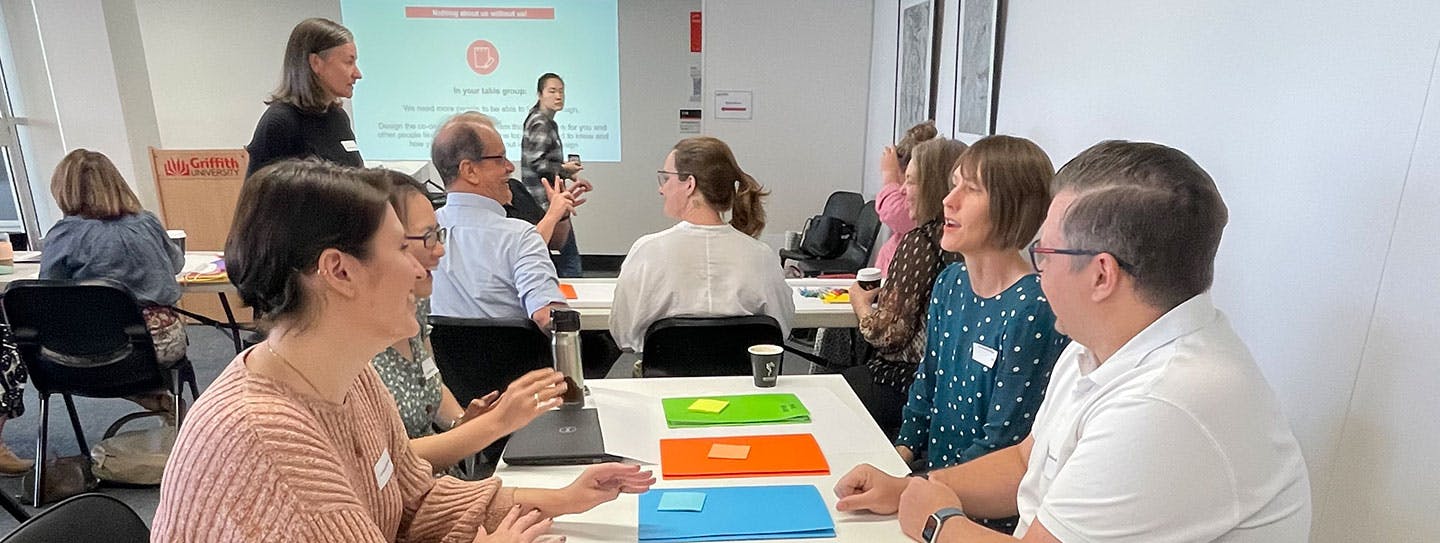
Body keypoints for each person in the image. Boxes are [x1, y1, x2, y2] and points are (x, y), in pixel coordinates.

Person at [834, 141, 1312, 543]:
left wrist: (938, 522)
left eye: (1044, 252)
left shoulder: (1164, 401)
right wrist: (911, 488)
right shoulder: (1097, 348)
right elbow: (1027, 461)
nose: (1037, 271)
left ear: (1101, 274)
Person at [153, 159, 654, 542]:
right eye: (401, 249)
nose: (420, 272)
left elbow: (414, 498)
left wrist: (562, 499)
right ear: (339, 270)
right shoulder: (269, 440)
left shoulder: (350, 379)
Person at [370, 169, 565, 474]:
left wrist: (461, 422)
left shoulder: (416, 306)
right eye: (428, 237)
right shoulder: (351, 350)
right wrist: (494, 423)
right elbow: (385, 463)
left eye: (439, 233)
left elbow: (429, 377)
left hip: (442, 488)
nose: (441, 249)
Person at [609, 137, 795, 355]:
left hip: (664, 386)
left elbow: (624, 335)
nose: (662, 189)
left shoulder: (647, 251)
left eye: (666, 178)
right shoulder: (761, 255)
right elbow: (782, 328)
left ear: (689, 184)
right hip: (742, 385)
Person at [40, 149, 188, 415]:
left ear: (64, 190)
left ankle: (143, 394)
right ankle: (151, 394)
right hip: (158, 344)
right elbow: (176, 264)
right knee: (133, 360)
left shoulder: (64, 235)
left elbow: (48, 291)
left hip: (86, 350)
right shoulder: (147, 223)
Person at [843, 137, 966, 440]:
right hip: (949, 383)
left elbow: (885, 335)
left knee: (835, 393)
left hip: (908, 380)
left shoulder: (920, 242)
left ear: (932, 187)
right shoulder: (961, 243)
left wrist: (860, 302)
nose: (901, 190)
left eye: (909, 181)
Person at [429, 114, 570, 331]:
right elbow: (546, 315)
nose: (510, 167)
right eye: (500, 159)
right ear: (469, 170)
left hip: (445, 364)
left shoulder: (422, 234)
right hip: (523, 364)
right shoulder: (520, 236)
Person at [245, 18, 364, 177]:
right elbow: (259, 195)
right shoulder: (280, 122)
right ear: (316, 63)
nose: (358, 74)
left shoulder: (338, 117)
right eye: (349, 62)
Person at [520, 73, 592, 277]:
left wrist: (569, 175)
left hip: (545, 200)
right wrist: (564, 170)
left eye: (561, 91)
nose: (558, 96)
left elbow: (543, 161)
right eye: (552, 91)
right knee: (570, 261)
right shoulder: (541, 122)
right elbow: (538, 162)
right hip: (543, 201)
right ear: (539, 94)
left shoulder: (542, 120)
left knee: (560, 257)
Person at [872, 121, 939, 277]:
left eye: (909, 181)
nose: (900, 190)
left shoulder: (924, 212)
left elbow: (895, 212)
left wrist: (890, 177)